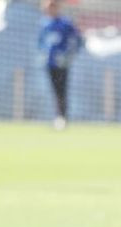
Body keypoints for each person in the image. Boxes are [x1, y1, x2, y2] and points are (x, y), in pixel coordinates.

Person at [39, 0, 83, 130]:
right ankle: (56, 117)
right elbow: (41, 42)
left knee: (61, 91)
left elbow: (78, 40)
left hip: (62, 64)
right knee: (53, 91)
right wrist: (42, 54)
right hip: (49, 64)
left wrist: (68, 56)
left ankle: (62, 117)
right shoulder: (44, 24)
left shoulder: (65, 23)